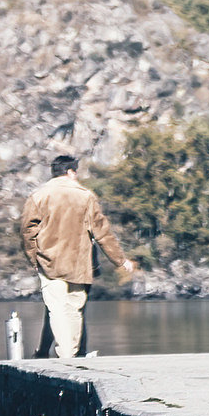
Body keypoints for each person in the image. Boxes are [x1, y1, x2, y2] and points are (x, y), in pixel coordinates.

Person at [21, 153, 137, 359]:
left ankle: (64, 356)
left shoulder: (38, 196)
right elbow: (102, 232)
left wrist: (34, 258)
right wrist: (120, 260)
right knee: (74, 310)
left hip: (49, 262)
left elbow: (28, 230)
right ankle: (71, 355)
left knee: (56, 309)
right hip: (79, 264)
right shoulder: (85, 196)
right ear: (71, 172)